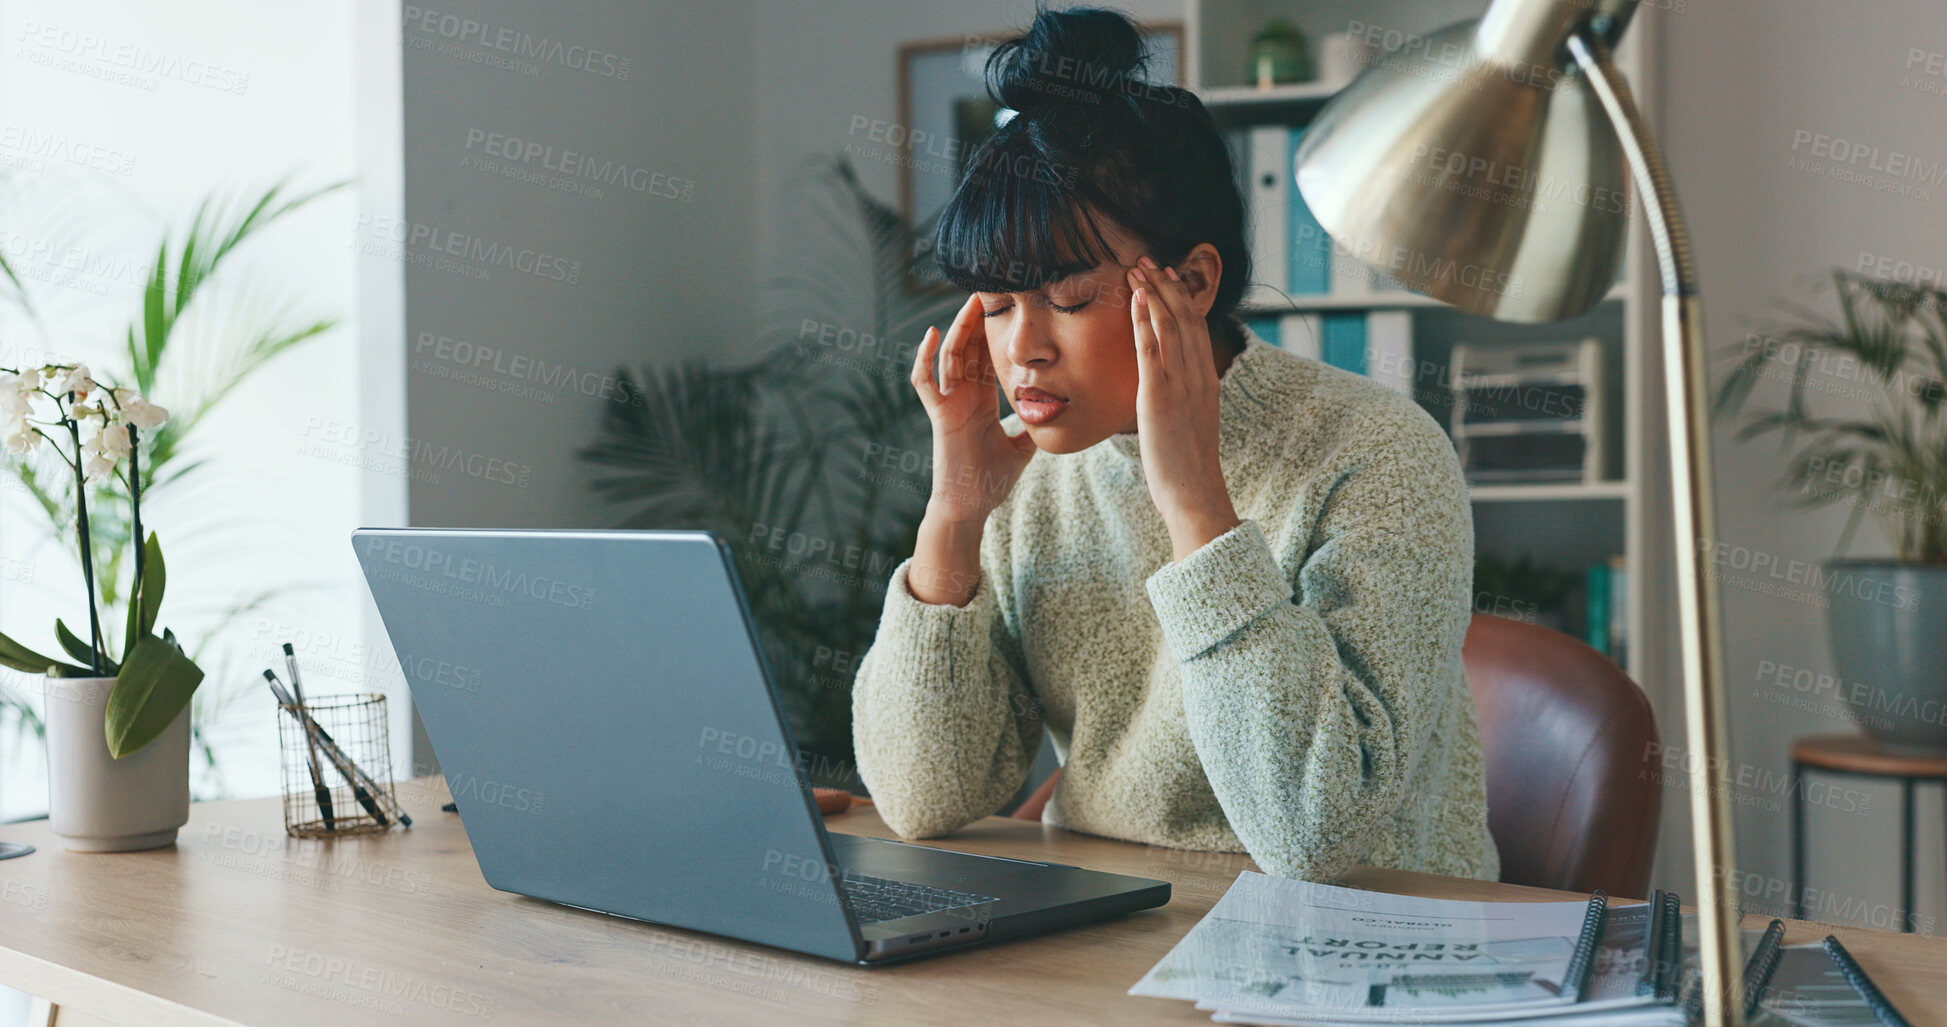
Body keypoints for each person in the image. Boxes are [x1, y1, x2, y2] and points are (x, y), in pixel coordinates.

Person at [850, 4, 1499, 883]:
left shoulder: (1377, 453)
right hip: (1114, 921)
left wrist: (1193, 495)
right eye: (996, 306)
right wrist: (954, 515)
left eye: (1069, 298)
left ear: (1191, 281)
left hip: (1366, 944)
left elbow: (1313, 835)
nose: (1022, 348)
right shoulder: (1024, 473)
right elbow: (922, 797)